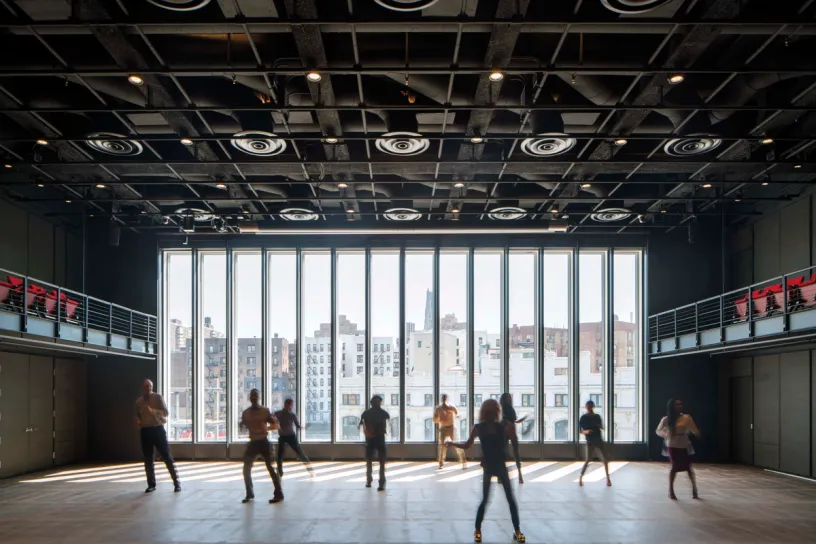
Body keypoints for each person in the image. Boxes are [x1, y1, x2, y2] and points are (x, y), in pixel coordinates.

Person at [451, 399, 525, 543]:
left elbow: (467, 445)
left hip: (489, 467)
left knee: (486, 500)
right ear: (497, 411)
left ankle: (478, 531)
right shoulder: (504, 426)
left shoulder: (479, 428)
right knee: (509, 499)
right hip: (499, 466)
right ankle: (517, 531)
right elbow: (514, 445)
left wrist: (452, 443)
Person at [135, 378, 180, 493]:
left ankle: (176, 483)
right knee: (148, 459)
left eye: (149, 386)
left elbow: (166, 413)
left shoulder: (158, 398)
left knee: (166, 456)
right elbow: (138, 416)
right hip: (145, 431)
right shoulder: (139, 402)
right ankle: (151, 484)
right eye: (145, 386)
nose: (148, 388)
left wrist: (153, 411)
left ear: (152, 387)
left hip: (157, 429)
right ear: (142, 387)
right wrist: (138, 422)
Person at [239, 389, 284, 504]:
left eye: (256, 396)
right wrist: (242, 426)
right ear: (250, 398)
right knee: (246, 469)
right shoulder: (246, 413)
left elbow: (276, 425)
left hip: (263, 442)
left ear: (258, 397)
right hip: (253, 442)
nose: (254, 398)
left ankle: (278, 494)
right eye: (252, 396)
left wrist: (266, 428)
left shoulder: (265, 411)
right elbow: (242, 426)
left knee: (271, 468)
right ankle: (249, 493)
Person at [656, 397, 701, 500]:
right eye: (677, 405)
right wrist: (666, 434)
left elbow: (694, 429)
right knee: (674, 466)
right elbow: (658, 430)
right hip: (672, 445)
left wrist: (697, 433)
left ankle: (694, 488)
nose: (679, 406)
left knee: (688, 467)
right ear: (672, 407)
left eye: (681, 404)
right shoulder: (666, 419)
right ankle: (671, 490)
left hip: (684, 444)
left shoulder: (687, 417)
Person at [274, 398, 314, 478]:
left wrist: (304, 427)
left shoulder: (289, 414)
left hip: (289, 436)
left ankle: (310, 471)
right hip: (285, 436)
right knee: (281, 455)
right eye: (291, 405)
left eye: (291, 405)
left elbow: (298, 426)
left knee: (298, 453)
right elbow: (273, 420)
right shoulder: (280, 414)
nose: (291, 406)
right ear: (287, 405)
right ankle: (280, 472)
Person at [358, 395, 390, 491]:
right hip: (373, 439)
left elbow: (388, 427)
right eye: (376, 401)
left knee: (379, 461)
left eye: (378, 401)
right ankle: (371, 480)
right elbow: (361, 425)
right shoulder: (371, 413)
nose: (377, 403)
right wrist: (366, 432)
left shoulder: (380, 413)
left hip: (377, 438)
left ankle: (379, 481)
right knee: (372, 461)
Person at [578, 400, 611, 487]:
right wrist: (586, 431)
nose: (590, 408)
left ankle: (608, 478)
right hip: (591, 441)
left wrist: (600, 427)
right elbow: (580, 431)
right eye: (589, 406)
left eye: (591, 406)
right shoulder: (583, 418)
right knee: (588, 459)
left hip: (598, 440)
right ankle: (581, 477)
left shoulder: (597, 417)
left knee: (604, 459)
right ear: (586, 407)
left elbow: (600, 426)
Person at [499, 393, 527, 483]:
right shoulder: (509, 408)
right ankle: (519, 475)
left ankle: (502, 477)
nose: (509, 399)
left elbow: (507, 420)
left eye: (510, 397)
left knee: (504, 453)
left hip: (505, 431)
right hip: (511, 431)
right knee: (514, 453)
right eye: (508, 398)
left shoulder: (502, 408)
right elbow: (514, 420)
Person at [434, 393, 466, 470]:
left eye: (445, 398)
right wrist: (439, 419)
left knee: (457, 444)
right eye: (443, 398)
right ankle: (441, 463)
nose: (444, 399)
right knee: (441, 446)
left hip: (452, 427)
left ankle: (463, 461)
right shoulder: (438, 409)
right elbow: (434, 420)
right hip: (443, 428)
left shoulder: (451, 407)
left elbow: (457, 414)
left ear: (446, 399)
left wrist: (457, 415)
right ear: (441, 399)